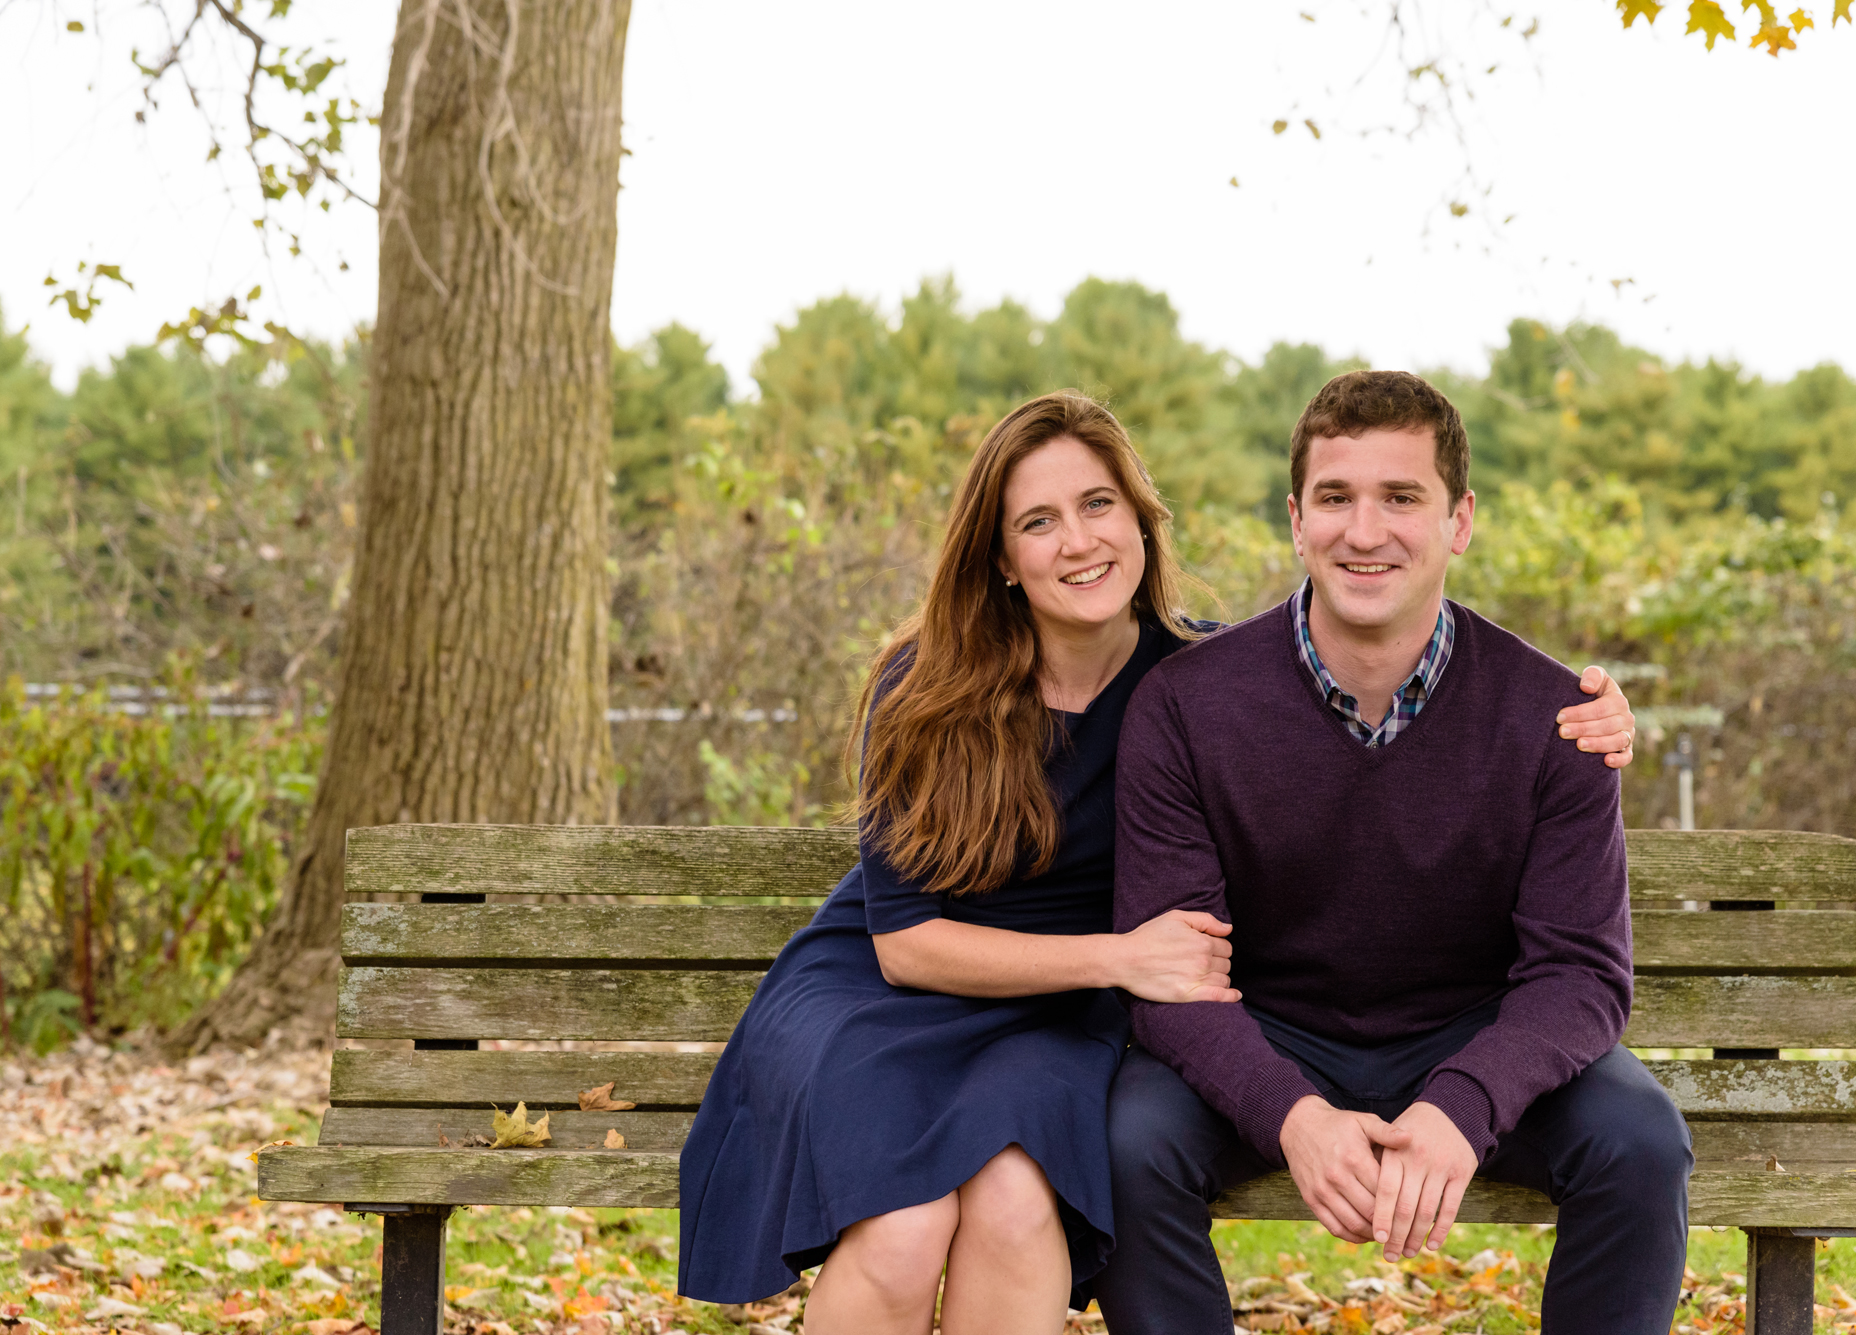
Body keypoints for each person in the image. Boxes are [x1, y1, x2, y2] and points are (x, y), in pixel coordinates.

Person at [675, 390, 1639, 1335]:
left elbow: (1328, 675)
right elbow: (906, 942)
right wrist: (1122, 959)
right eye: (1038, 521)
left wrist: (1595, 709)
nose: (1079, 540)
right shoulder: (927, 684)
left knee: (1015, 1206)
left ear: (1141, 520)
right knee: (900, 1229)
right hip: (899, 990)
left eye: (1098, 505)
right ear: (1003, 557)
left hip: (1053, 1021)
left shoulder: (1193, 680)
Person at [1099, 370, 1690, 1335]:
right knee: (1127, 1142)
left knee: (1640, 1141)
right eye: (1336, 498)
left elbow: (1581, 974)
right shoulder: (1186, 707)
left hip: (1473, 1033)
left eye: (1401, 497)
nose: (1364, 532)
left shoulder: (1560, 719)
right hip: (1270, 1028)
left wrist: (1464, 1104)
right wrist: (1292, 1111)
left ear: (1460, 521)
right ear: (1296, 520)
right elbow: (1170, 970)